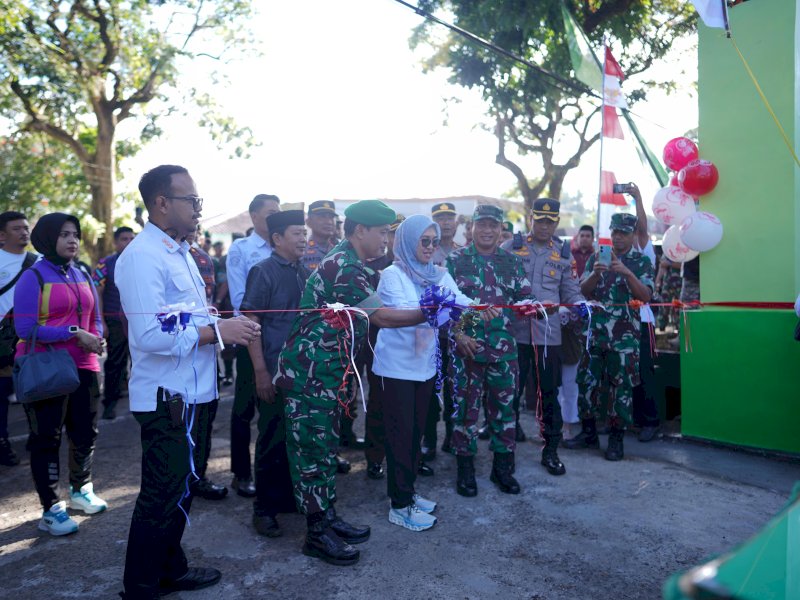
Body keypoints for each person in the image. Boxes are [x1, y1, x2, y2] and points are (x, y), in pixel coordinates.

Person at [117, 165, 258, 599]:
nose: (199, 210)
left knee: (180, 490)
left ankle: (169, 569)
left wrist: (214, 320)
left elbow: (183, 317)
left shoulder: (179, 252)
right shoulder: (142, 257)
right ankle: (140, 586)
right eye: (192, 201)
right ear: (162, 203)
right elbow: (148, 335)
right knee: (161, 494)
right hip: (166, 397)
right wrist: (218, 332)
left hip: (194, 391)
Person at [274, 200, 426, 566]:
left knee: (325, 448)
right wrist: (432, 312)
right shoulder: (344, 267)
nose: (387, 239)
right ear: (361, 231)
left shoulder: (351, 263)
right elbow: (384, 318)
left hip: (328, 374)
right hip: (311, 376)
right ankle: (316, 532)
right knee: (311, 452)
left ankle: (326, 517)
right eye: (383, 232)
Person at [373, 215, 481, 531]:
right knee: (400, 436)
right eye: (424, 241)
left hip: (424, 369)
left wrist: (471, 322)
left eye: (434, 242)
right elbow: (414, 314)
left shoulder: (438, 273)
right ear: (407, 241)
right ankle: (399, 505)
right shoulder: (392, 275)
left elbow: (463, 304)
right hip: (396, 370)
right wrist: (446, 308)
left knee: (416, 434)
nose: (431, 247)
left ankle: (408, 493)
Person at [14, 213, 107, 536]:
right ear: (47, 238)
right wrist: (74, 332)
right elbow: (25, 328)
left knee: (85, 432)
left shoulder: (81, 273)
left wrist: (95, 335)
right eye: (64, 234)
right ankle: (51, 508)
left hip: (85, 366)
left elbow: (94, 316)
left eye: (75, 234)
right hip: (47, 369)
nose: (72, 240)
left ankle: (81, 491)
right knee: (47, 438)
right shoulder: (33, 277)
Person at [446, 205, 535, 497]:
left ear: (500, 229)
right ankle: (466, 471)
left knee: (504, 413)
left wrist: (530, 307)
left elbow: (524, 297)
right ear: (471, 227)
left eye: (493, 225)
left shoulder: (511, 262)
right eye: (481, 224)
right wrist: (461, 330)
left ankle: (503, 470)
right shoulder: (455, 261)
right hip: (466, 351)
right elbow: (445, 306)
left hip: (503, 352)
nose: (487, 230)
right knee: (465, 415)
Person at [502, 199, 584, 476]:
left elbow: (571, 291)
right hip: (514, 334)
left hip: (548, 336)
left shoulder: (564, 255)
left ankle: (550, 451)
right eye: (540, 220)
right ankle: (506, 450)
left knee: (549, 395)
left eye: (550, 221)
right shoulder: (511, 248)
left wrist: (580, 306)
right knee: (509, 394)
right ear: (531, 220)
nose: (545, 226)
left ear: (556, 223)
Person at [564, 213, 654, 461]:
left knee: (620, 390)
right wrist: (595, 274)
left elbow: (646, 296)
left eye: (624, 233)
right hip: (594, 335)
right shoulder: (597, 257)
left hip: (624, 339)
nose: (618, 237)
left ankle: (616, 438)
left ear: (633, 235)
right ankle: (589, 433)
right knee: (587, 384)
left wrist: (626, 272)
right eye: (615, 232)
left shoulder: (641, 262)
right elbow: (581, 291)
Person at [240, 210, 308, 538]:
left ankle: (284, 499)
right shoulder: (262, 271)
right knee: (270, 437)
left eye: (303, 232)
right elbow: (251, 322)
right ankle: (263, 509)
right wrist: (261, 372)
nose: (303, 238)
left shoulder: (302, 271)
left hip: (299, 372)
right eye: (296, 233)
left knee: (291, 437)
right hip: (272, 368)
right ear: (277, 239)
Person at [226, 193, 281, 497]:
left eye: (278, 211)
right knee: (244, 408)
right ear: (254, 216)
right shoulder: (242, 249)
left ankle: (271, 472)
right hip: (251, 335)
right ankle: (241, 473)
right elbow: (239, 301)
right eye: (270, 212)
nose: (275, 216)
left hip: (280, 340)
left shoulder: (283, 246)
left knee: (273, 409)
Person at [183, 226, 228, 501]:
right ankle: (182, 479)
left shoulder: (202, 258)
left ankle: (198, 476)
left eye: (196, 227)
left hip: (206, 344)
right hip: (177, 347)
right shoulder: (155, 256)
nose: (192, 230)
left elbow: (209, 300)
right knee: (181, 421)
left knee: (205, 417)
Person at [362, 213, 403, 480]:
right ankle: (375, 457)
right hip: (371, 339)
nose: (393, 239)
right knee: (377, 399)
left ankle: (405, 454)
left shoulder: (411, 267)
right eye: (390, 233)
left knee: (401, 402)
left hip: (403, 342)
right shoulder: (369, 263)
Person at [422, 203, 463, 459]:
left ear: (456, 223)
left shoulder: (465, 253)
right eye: (440, 219)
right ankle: (429, 439)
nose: (446, 223)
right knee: (428, 388)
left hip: (456, 334)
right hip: (430, 334)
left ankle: (451, 435)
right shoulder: (426, 252)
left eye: (449, 218)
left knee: (454, 389)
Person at [0, 211, 35, 466]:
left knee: (34, 389)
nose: (24, 232)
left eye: (26, 227)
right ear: (2, 235)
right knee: (1, 395)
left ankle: (37, 437)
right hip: (3, 341)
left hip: (32, 338)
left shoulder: (38, 261)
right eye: (16, 228)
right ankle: (2, 442)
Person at [94, 226, 135, 420]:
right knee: (115, 363)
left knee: (140, 362)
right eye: (124, 239)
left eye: (131, 239)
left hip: (138, 320)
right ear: (116, 242)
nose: (128, 243)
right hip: (115, 321)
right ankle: (109, 404)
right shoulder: (105, 264)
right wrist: (101, 322)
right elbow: (97, 294)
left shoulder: (141, 261)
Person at [302, 200, 337, 272]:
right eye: (322, 217)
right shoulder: (301, 251)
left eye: (331, 217)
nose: (329, 222)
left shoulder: (338, 248)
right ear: (308, 222)